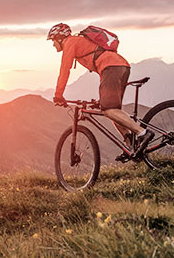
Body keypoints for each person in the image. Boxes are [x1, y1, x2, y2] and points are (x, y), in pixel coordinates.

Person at [49, 23, 154, 159]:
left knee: (109, 109)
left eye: (53, 41)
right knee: (112, 110)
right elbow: (100, 65)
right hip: (120, 66)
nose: (53, 45)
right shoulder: (80, 42)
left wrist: (58, 95)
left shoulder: (70, 42)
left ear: (59, 38)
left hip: (111, 68)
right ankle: (132, 146)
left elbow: (64, 70)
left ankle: (142, 133)